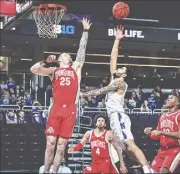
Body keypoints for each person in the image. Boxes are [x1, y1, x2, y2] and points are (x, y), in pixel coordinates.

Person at [81, 26, 151, 173]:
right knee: (126, 149)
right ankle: (146, 165)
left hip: (119, 116)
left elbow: (100, 91)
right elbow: (113, 57)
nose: (119, 68)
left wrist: (83, 94)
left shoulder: (119, 83)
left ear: (123, 75)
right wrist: (117, 39)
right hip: (114, 118)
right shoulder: (115, 79)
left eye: (122, 69)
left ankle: (147, 170)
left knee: (129, 144)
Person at [30, 18, 92, 173]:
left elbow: (81, 50)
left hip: (70, 109)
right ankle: (45, 171)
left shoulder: (76, 68)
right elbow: (33, 69)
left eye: (66, 54)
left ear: (69, 59)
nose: (64, 54)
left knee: (61, 146)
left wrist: (85, 31)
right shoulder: (54, 71)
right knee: (51, 143)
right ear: (59, 60)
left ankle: (55, 171)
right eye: (62, 54)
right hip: (56, 108)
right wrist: (45, 61)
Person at [144, 94, 180, 174]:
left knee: (163, 172)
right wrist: (149, 133)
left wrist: (161, 132)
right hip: (162, 150)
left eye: (171, 98)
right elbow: (157, 136)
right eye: (167, 98)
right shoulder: (163, 116)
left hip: (175, 149)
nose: (167, 100)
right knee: (152, 171)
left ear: (177, 103)